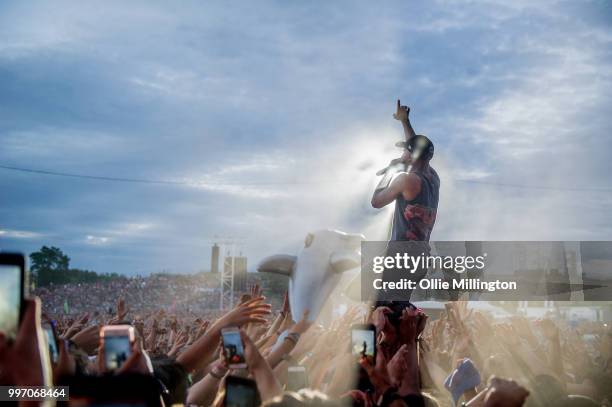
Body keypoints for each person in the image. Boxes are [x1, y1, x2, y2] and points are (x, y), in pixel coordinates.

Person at [371, 100, 440, 303]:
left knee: (383, 310)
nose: (401, 153)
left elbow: (376, 201)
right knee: (397, 305)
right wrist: (405, 121)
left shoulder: (405, 179)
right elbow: (416, 145)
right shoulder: (432, 176)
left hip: (402, 256)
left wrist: (391, 170)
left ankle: (376, 336)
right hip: (420, 255)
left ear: (410, 155)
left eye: (405, 151)